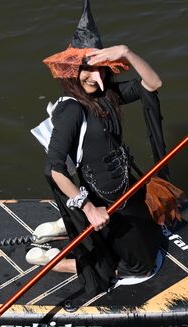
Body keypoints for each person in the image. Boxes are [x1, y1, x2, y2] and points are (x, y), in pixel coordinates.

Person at [36, 0, 179, 297]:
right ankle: (57, 260)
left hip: (129, 188)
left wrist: (126, 51)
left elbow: (153, 83)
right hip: (102, 200)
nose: (94, 77)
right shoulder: (72, 111)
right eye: (87, 69)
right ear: (73, 70)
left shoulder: (108, 94)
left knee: (156, 239)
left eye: (101, 69)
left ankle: (67, 227)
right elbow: (54, 168)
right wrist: (89, 209)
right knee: (141, 269)